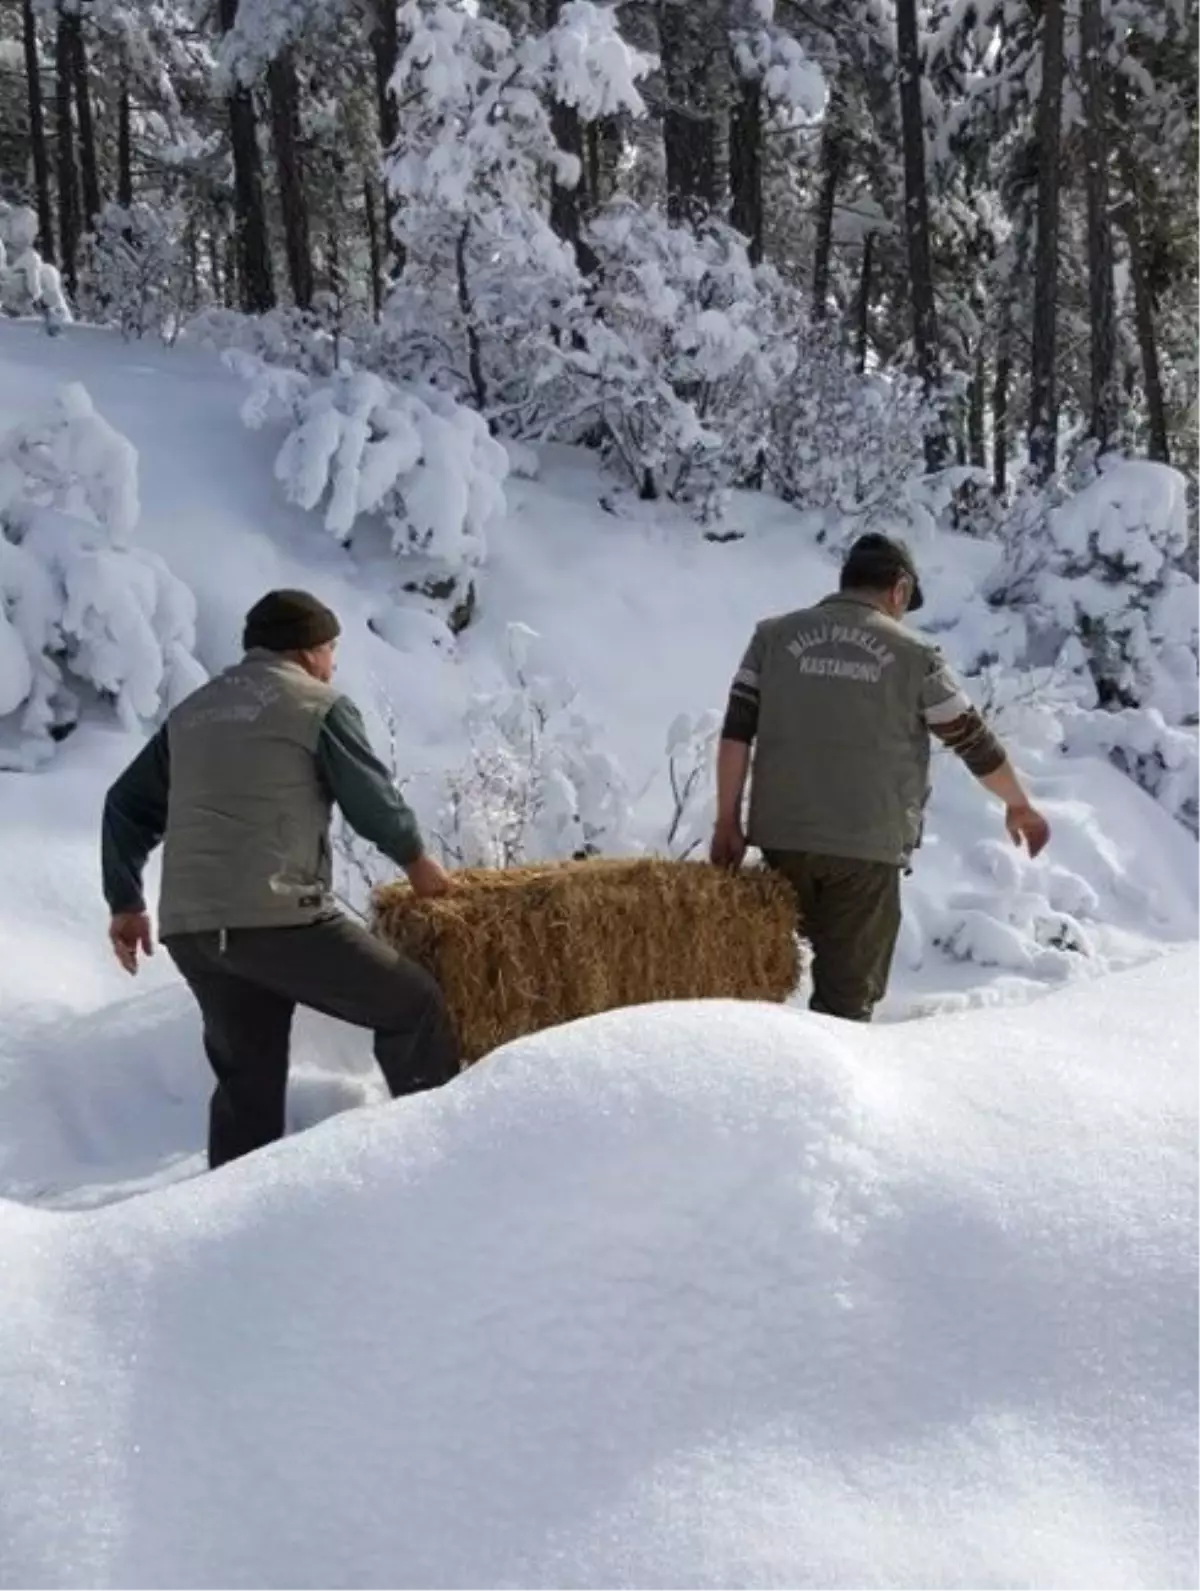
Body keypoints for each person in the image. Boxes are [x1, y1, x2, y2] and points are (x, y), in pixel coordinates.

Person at [102, 589, 461, 1169]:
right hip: (276, 920)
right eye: (331, 648)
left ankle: (237, 1221)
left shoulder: (192, 713)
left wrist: (125, 902)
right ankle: (444, 1161)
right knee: (411, 1005)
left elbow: (124, 805)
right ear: (310, 650)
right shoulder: (316, 703)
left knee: (249, 1078)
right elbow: (370, 798)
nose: (333, 661)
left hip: (193, 933)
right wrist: (417, 861)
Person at [711, 533, 1050, 1023]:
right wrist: (1018, 803)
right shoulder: (915, 656)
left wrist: (727, 821)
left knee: (755, 992)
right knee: (845, 1006)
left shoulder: (772, 637)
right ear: (899, 588)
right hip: (864, 852)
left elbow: (735, 734)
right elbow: (972, 739)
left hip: (781, 841)